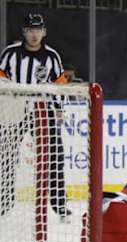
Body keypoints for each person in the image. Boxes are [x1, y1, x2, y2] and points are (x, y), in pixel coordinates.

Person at [0, 13, 70, 221]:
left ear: (44, 32)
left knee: (55, 155)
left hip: (43, 110)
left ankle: (59, 206)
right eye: (30, 30)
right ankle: (4, 203)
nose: (34, 34)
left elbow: (59, 85)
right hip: (15, 109)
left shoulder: (51, 56)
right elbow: (1, 78)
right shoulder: (10, 54)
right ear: (24, 31)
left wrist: (59, 108)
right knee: (6, 155)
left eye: (37, 30)